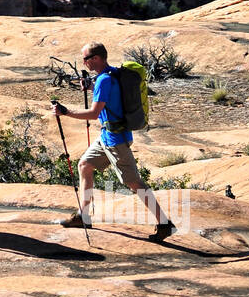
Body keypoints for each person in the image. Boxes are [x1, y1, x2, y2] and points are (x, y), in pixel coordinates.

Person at [52, 42, 176, 242]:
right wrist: (90, 86)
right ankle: (82, 216)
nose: (83, 63)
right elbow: (112, 95)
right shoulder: (112, 75)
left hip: (115, 140)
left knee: (133, 182)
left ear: (96, 59)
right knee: (85, 165)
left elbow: (93, 113)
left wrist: (65, 112)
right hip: (108, 137)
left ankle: (165, 224)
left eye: (85, 59)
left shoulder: (104, 80)